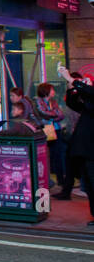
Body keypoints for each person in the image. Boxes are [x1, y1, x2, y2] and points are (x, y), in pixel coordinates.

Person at [58, 66, 94, 226]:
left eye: (87, 81)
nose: (84, 82)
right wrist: (72, 88)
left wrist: (72, 80)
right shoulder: (87, 105)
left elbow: (90, 93)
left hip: (92, 151)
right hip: (85, 151)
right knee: (90, 185)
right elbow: (74, 104)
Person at [36, 82, 67, 189]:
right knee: (44, 155)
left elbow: (61, 115)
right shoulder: (38, 102)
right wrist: (53, 114)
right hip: (44, 131)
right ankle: (45, 179)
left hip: (55, 130)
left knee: (57, 155)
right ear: (46, 91)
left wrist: (52, 115)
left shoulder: (53, 102)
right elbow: (43, 113)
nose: (54, 92)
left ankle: (60, 179)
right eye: (52, 90)